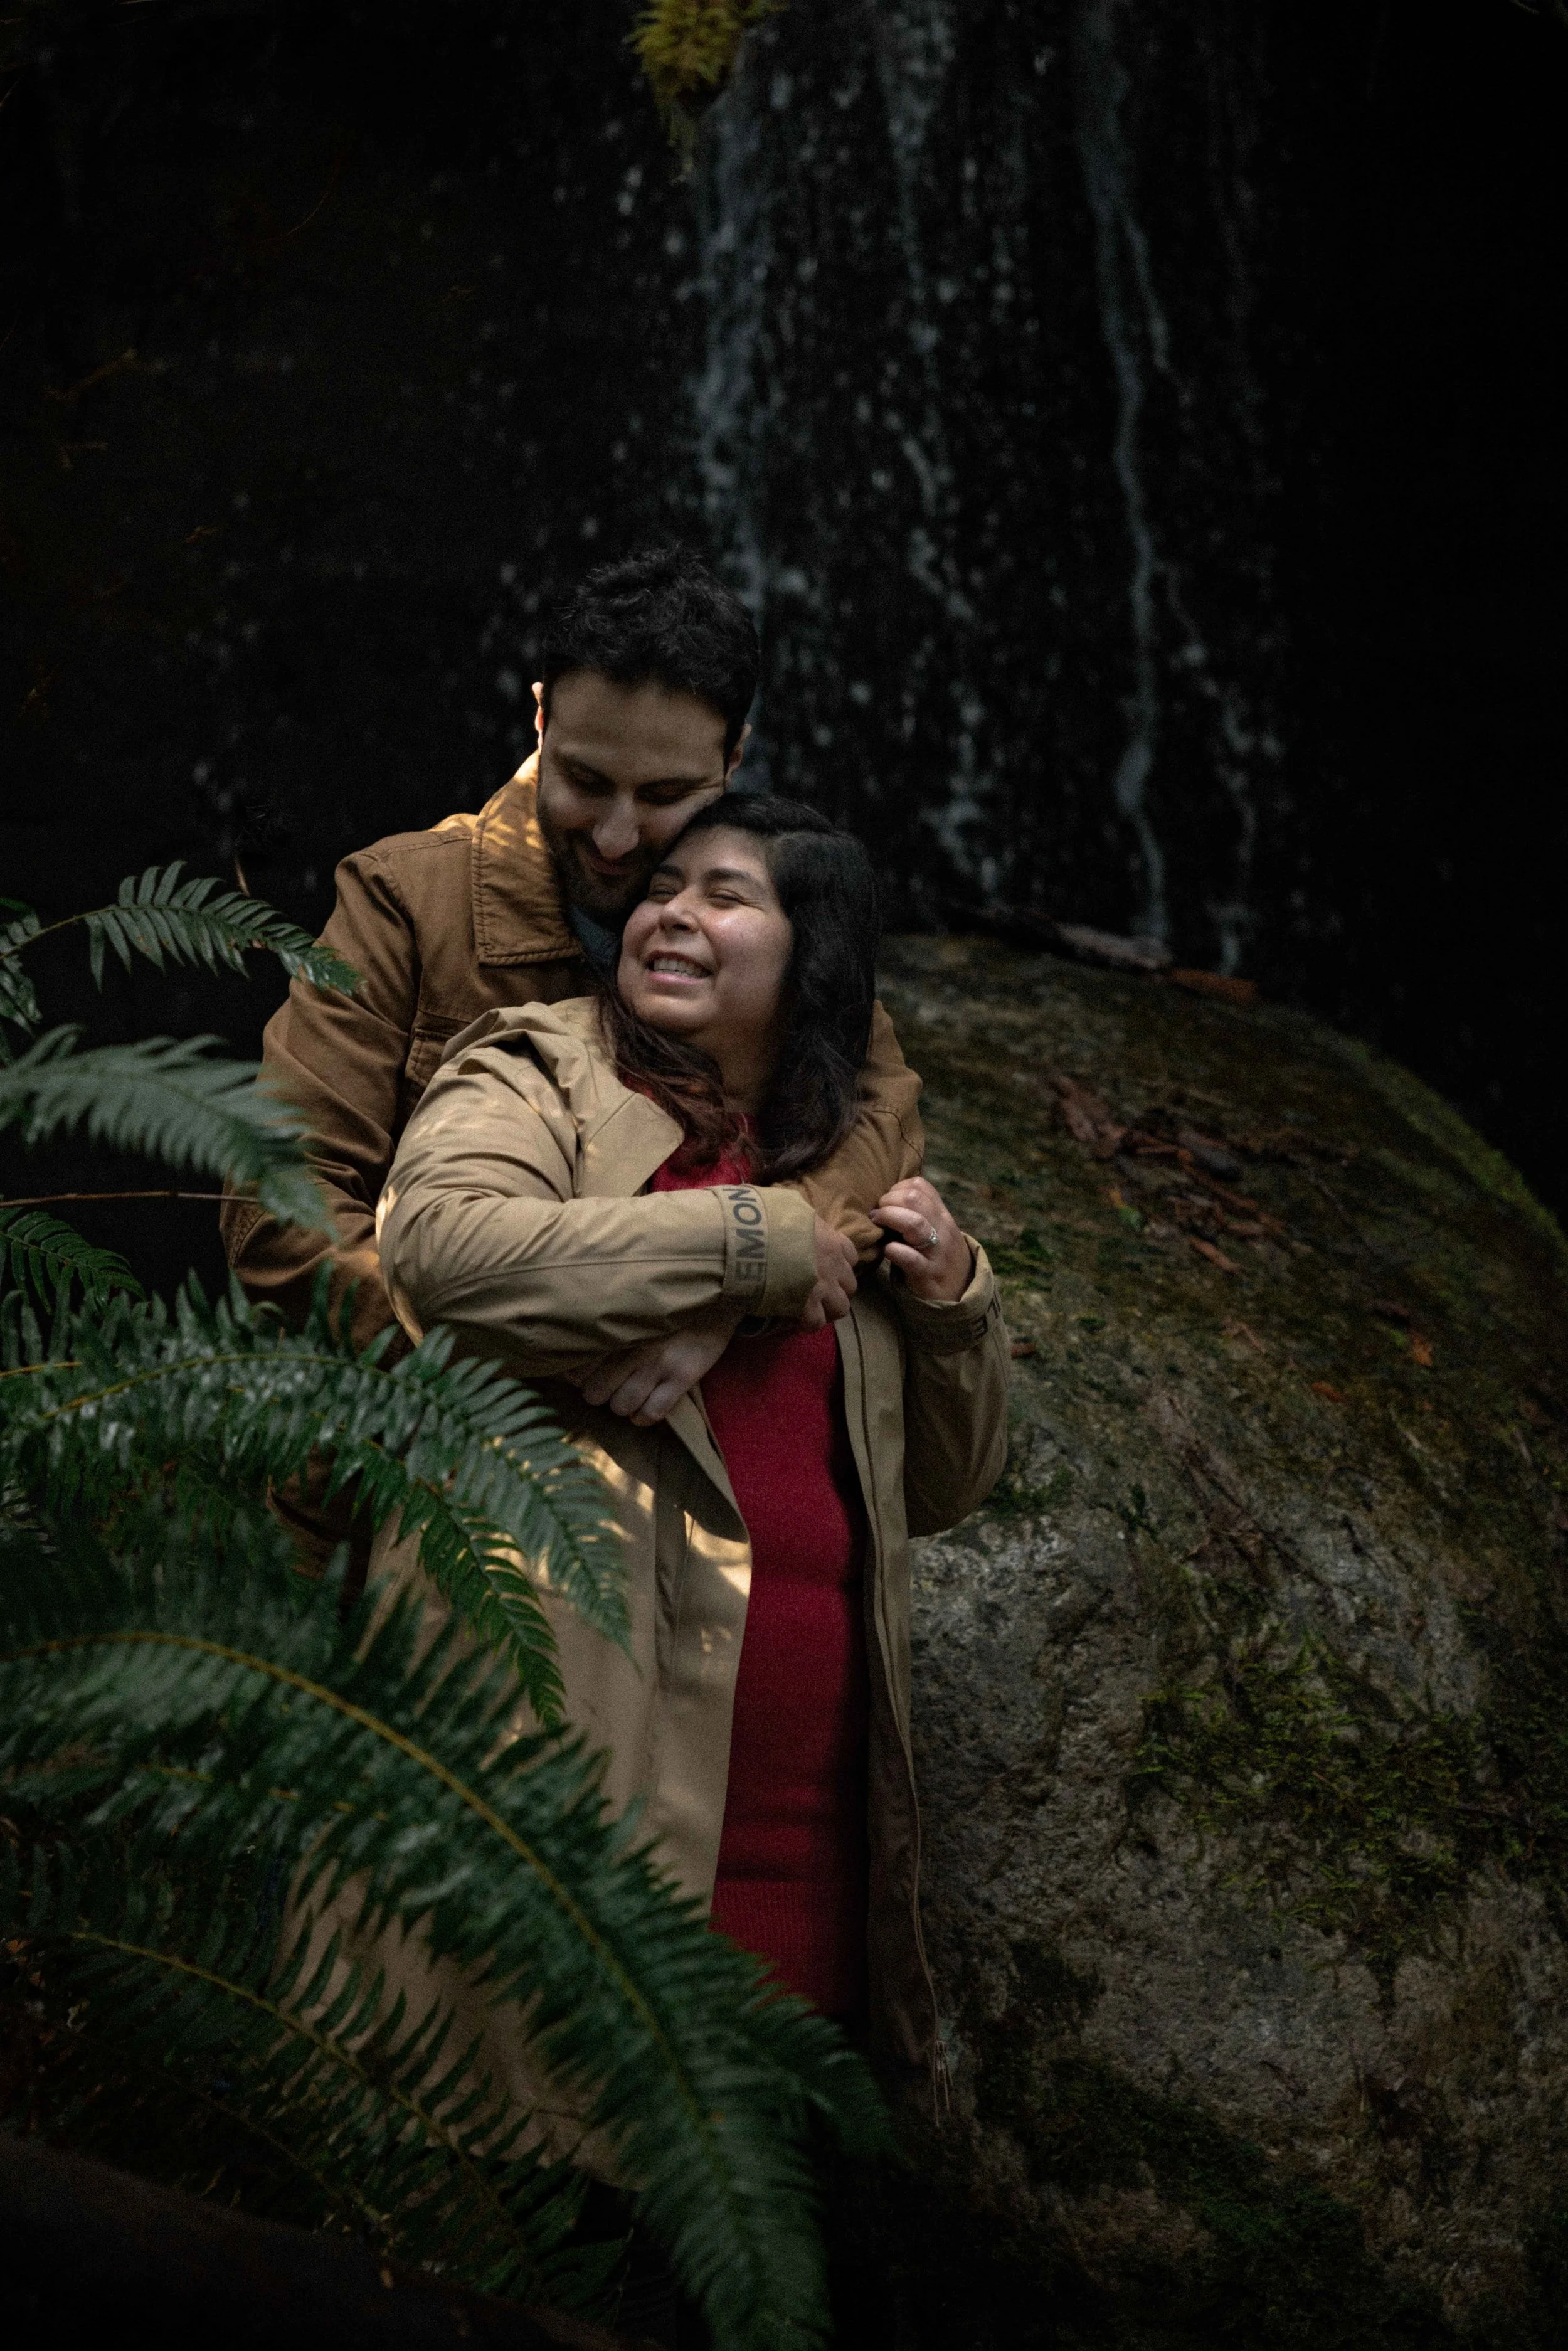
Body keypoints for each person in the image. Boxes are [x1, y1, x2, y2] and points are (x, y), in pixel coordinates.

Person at [374, 794, 1009, 2102]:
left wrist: (955, 1303)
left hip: (808, 1875)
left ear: (813, 953)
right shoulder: (541, 1073)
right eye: (662, 889)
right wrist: (747, 1246)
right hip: (573, 1822)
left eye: (726, 896)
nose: (671, 914)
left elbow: (942, 1488)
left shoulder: (848, 1167)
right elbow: (441, 1251)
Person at [220, 546, 924, 1566]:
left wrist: (745, 1291)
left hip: (704, 1532)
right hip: (402, 1500)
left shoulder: (780, 906)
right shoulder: (407, 900)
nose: (618, 836)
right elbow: (276, 1208)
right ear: (542, 717)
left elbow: (881, 1102)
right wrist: (583, 1337)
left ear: (735, 759)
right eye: (586, 782)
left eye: (666, 793)